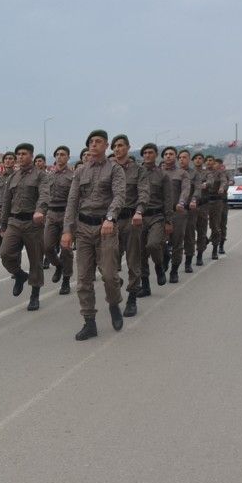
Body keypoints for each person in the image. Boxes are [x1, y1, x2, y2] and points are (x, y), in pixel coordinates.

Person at [61, 130, 126, 340]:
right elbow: (72, 201)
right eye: (91, 141)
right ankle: (89, 322)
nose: (94, 144)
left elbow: (119, 195)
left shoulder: (115, 169)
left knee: (109, 275)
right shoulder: (80, 171)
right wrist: (67, 230)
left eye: (98, 141)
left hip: (105, 228)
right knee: (83, 280)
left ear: (106, 145)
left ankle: (114, 304)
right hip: (83, 229)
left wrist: (110, 218)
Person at [0, 143, 50, 311]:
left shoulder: (40, 175)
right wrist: (3, 225)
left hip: (33, 223)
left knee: (36, 260)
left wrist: (40, 210)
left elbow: (44, 195)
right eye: (18, 154)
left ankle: (35, 294)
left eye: (24, 154)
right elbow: (6, 202)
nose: (20, 157)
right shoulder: (12, 177)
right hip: (14, 222)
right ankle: (20, 275)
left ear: (31, 156)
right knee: (5, 253)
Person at [111, 134, 149, 317]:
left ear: (128, 147)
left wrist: (139, 211)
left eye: (120, 145)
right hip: (111, 220)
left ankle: (132, 298)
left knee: (133, 261)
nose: (117, 149)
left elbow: (143, 192)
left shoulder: (138, 170)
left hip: (131, 219)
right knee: (106, 261)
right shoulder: (108, 168)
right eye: (114, 146)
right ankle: (114, 282)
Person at [136, 144, 174, 296]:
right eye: (145, 153)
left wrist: (168, 221)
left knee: (152, 244)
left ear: (156, 154)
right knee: (140, 254)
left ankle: (159, 265)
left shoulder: (162, 175)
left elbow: (168, 199)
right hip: (139, 216)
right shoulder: (137, 172)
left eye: (150, 152)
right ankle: (145, 286)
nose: (147, 155)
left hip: (157, 216)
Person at [44, 145, 74, 294]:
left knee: (66, 249)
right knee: (47, 247)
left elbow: (75, 199)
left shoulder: (73, 176)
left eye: (63, 154)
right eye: (57, 154)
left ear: (68, 157)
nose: (59, 157)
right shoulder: (48, 176)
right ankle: (58, 266)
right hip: (51, 214)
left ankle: (66, 280)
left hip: (66, 214)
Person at [161, 146, 190, 283]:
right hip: (161, 212)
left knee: (177, 242)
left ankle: (174, 270)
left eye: (171, 154)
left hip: (177, 212)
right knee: (159, 241)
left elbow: (185, 189)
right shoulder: (159, 173)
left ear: (176, 157)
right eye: (166, 154)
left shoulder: (182, 173)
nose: (168, 156)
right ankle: (166, 256)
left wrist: (181, 202)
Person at [177, 150, 200, 274]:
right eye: (180, 157)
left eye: (184, 157)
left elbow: (197, 188)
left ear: (189, 159)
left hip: (189, 208)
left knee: (189, 235)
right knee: (174, 236)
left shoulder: (194, 173)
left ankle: (188, 262)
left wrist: (194, 200)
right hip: (175, 209)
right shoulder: (175, 172)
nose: (182, 159)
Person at [0, 151, 16, 256]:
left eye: (10, 159)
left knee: (10, 229)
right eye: (6, 159)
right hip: (1, 207)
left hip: (13, 208)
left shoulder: (17, 176)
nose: (8, 161)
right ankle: (0, 239)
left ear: (14, 161)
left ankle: (6, 242)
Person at [201, 155, 224, 258]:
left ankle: (215, 248)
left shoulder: (219, 173)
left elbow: (224, 181)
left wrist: (222, 188)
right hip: (204, 201)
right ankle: (205, 239)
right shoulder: (201, 173)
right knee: (199, 224)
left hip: (216, 201)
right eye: (207, 160)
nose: (208, 162)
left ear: (214, 162)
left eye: (211, 160)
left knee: (215, 226)